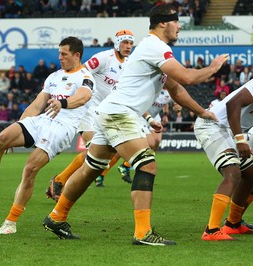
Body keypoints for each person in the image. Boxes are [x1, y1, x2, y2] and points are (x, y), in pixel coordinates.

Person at [42, 3, 228, 245]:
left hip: (111, 112)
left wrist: (201, 111)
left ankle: (56, 216)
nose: (179, 27)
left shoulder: (151, 50)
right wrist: (213, 68)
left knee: (91, 169)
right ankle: (143, 233)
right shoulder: (154, 46)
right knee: (147, 166)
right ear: (163, 23)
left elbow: (176, 89)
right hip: (120, 114)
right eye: (176, 22)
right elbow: (187, 77)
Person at [0, 36, 96, 235]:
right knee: (0, 140)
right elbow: (37, 105)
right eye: (59, 54)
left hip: (61, 128)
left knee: (30, 169)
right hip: (42, 121)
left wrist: (62, 103)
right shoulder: (54, 76)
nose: (60, 58)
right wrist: (20, 126)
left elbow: (84, 97)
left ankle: (10, 223)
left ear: (76, 55)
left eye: (64, 54)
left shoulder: (85, 77)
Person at [45, 29, 134, 202]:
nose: (128, 46)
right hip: (89, 108)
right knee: (95, 151)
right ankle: (59, 182)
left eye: (130, 43)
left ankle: (60, 180)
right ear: (117, 43)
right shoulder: (104, 58)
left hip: (106, 112)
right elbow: (80, 71)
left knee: (104, 154)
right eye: (124, 42)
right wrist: (74, 96)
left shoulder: (128, 64)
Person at [194, 79, 253, 241]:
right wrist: (240, 140)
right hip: (212, 124)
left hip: (230, 130)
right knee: (233, 172)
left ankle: (233, 224)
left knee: (251, 175)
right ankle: (211, 230)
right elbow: (233, 104)